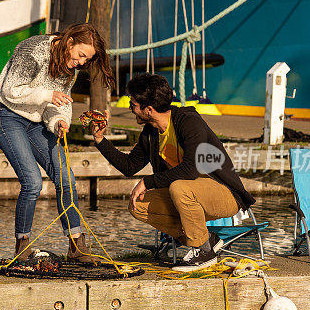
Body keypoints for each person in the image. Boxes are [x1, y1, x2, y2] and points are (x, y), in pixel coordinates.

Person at [91, 74, 255, 271]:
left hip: (225, 194)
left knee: (179, 187)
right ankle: (207, 240)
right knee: (138, 205)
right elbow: (129, 166)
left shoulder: (189, 122)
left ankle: (203, 252)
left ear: (149, 110)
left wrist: (148, 182)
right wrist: (100, 139)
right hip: (186, 193)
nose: (130, 108)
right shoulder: (151, 132)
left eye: (133, 104)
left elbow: (191, 169)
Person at [0, 23, 115, 263]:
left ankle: (77, 247)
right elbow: (10, 90)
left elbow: (60, 104)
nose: (80, 62)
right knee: (32, 182)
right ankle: (22, 245)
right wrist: (49, 96)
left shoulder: (69, 68)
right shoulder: (33, 49)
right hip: (8, 116)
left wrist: (58, 121)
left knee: (65, 177)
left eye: (86, 60)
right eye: (80, 55)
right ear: (69, 41)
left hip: (37, 121)